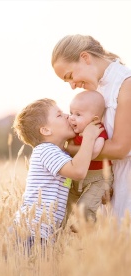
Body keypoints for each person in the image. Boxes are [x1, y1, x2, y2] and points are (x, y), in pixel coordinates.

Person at [51, 34, 131, 221]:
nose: (72, 86)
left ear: (85, 58)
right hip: (111, 183)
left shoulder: (126, 84)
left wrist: (70, 149)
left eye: (70, 76)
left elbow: (120, 148)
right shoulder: (98, 89)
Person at [12, 98, 103, 249]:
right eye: (59, 115)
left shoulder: (61, 155)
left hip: (43, 233)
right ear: (46, 130)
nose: (68, 116)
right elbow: (79, 171)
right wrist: (89, 137)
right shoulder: (45, 150)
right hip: (32, 232)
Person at [64, 90, 114, 231]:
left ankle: (87, 224)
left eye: (78, 114)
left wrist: (85, 143)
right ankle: (56, 228)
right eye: (71, 112)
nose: (72, 118)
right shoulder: (74, 132)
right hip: (77, 178)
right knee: (63, 205)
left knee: (86, 206)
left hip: (98, 178)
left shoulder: (97, 130)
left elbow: (95, 152)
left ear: (94, 119)